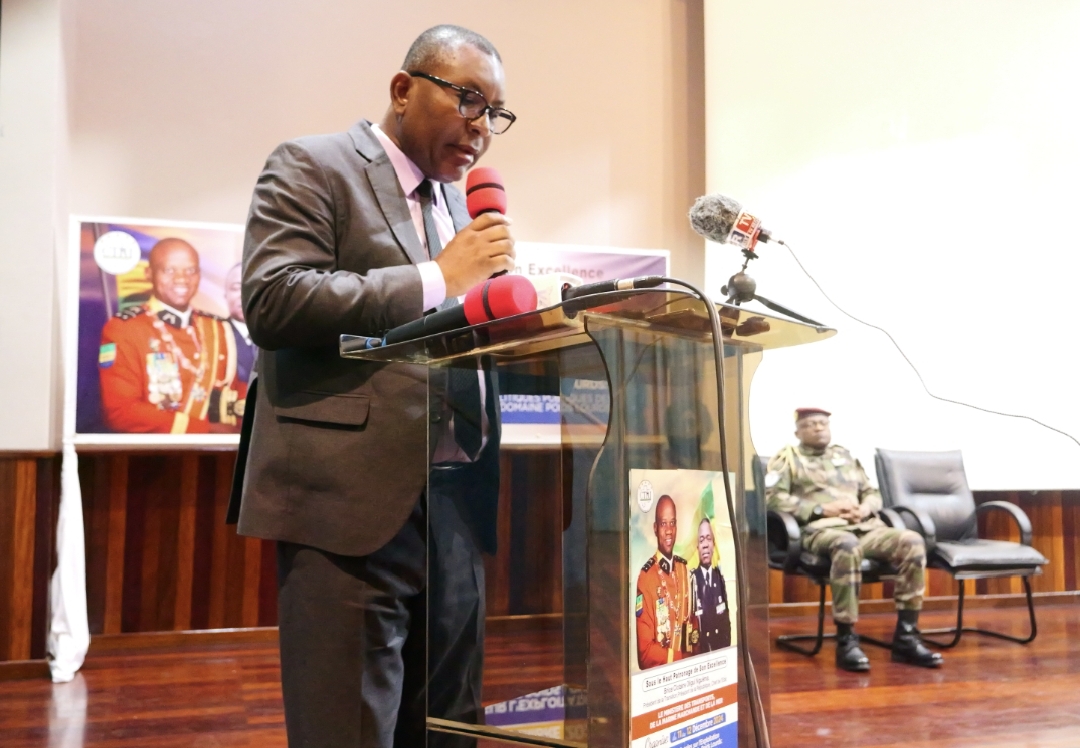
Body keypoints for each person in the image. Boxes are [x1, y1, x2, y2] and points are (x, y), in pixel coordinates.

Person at [229, 25, 516, 748]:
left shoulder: (458, 209)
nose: (481, 126)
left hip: (456, 501)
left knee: (447, 725)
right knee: (348, 727)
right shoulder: (313, 164)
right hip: (347, 500)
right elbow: (274, 300)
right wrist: (439, 277)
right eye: (469, 100)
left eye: (495, 112)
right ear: (403, 89)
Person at [765, 407, 942, 672]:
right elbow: (773, 498)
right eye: (810, 424)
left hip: (865, 527)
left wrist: (866, 508)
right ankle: (846, 640)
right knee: (847, 545)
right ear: (797, 432)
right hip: (823, 531)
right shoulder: (788, 459)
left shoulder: (845, 456)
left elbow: (872, 492)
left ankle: (907, 637)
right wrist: (821, 509)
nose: (818, 428)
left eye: (823, 423)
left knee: (912, 541)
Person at [98, 237, 238, 434]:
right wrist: (203, 430)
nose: (182, 279)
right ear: (149, 274)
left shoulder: (215, 327)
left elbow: (231, 392)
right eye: (169, 270)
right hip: (157, 451)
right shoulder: (124, 328)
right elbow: (120, 412)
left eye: (191, 270)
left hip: (218, 450)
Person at [635, 495, 697, 670]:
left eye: (672, 523)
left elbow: (690, 624)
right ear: (655, 528)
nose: (669, 530)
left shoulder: (683, 570)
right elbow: (645, 654)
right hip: (662, 674)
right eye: (663, 524)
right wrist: (680, 658)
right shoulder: (646, 577)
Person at [691, 517, 732, 652]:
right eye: (701, 540)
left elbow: (726, 621)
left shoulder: (719, 578)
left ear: (713, 545)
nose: (705, 544)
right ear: (697, 547)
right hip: (700, 653)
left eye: (709, 539)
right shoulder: (692, 581)